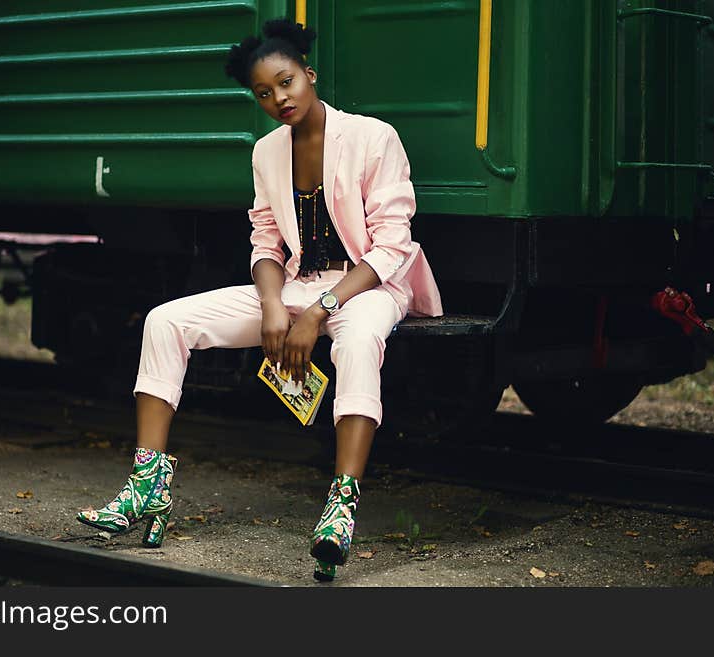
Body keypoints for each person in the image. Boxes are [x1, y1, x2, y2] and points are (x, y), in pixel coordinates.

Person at [76, 18, 442, 582]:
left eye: (287, 82)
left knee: (360, 340)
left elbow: (394, 244)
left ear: (309, 74)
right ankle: (146, 486)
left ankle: (340, 507)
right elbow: (266, 239)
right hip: (296, 284)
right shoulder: (267, 152)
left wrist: (321, 311)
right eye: (264, 93)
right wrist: (276, 306)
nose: (279, 99)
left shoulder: (373, 137)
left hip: (367, 286)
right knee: (165, 321)